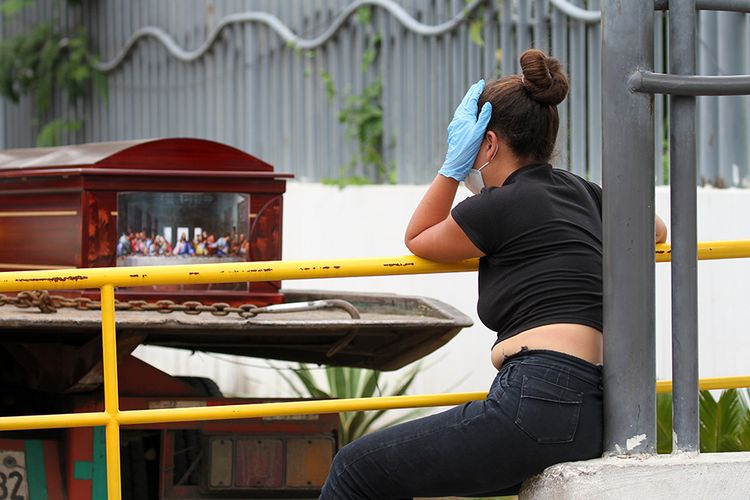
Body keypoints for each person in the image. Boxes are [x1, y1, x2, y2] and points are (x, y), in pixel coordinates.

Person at [319, 48, 667, 499]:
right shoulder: (585, 192)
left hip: (536, 400)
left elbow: (419, 236)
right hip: (594, 407)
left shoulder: (497, 206)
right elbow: (656, 229)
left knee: (353, 470)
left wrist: (451, 169)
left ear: (488, 143)